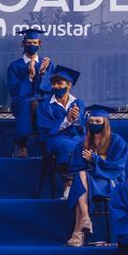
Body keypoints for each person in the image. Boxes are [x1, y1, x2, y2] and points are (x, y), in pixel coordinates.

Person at [65, 105, 128, 247]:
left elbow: (117, 167)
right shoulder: (83, 143)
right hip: (89, 180)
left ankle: (79, 230)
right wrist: (88, 164)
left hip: (110, 181)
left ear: (105, 123)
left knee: (80, 184)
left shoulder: (117, 141)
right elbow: (74, 166)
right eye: (91, 122)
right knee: (81, 177)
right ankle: (85, 219)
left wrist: (95, 160)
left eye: (98, 122)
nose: (94, 124)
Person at [36, 65, 85, 198]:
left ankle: (84, 185)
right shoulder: (45, 105)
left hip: (76, 137)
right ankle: (68, 185)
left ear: (69, 85)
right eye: (53, 83)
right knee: (66, 146)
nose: (56, 86)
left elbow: (83, 127)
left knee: (86, 146)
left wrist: (76, 119)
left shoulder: (78, 103)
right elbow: (44, 128)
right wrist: (67, 119)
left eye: (59, 83)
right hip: (54, 138)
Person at [6, 28, 54, 157]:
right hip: (22, 100)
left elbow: (52, 88)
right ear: (23, 44)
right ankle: (23, 145)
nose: (32, 45)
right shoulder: (14, 66)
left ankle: (29, 144)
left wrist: (43, 73)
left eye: (34, 43)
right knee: (31, 104)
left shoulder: (47, 64)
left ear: (40, 43)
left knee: (42, 105)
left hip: (44, 99)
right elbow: (14, 91)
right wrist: (30, 76)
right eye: (29, 43)